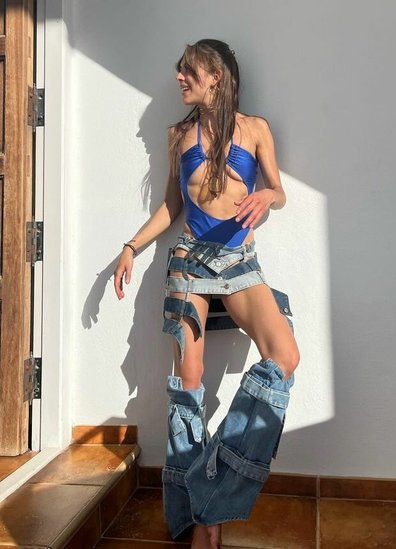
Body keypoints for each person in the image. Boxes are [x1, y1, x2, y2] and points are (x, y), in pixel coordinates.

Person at [114, 38, 300, 549]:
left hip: (239, 262)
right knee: (188, 385)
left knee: (284, 356)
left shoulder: (255, 129)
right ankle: (198, 518)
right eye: (179, 71)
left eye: (188, 70)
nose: (179, 77)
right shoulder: (179, 135)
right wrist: (131, 247)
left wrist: (268, 195)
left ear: (216, 75)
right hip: (190, 262)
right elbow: (172, 207)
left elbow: (279, 191)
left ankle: (211, 493)